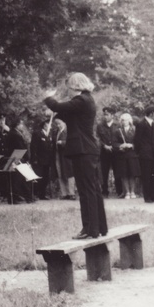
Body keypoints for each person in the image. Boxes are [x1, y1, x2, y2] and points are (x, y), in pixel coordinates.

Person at [43, 72, 107, 239]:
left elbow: (59, 107)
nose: (68, 92)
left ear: (75, 86)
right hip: (88, 149)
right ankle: (99, 227)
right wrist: (54, 112)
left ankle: (89, 229)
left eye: (69, 88)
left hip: (83, 150)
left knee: (86, 190)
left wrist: (48, 98)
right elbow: (65, 113)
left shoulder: (81, 100)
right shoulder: (86, 100)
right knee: (93, 189)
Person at [111, 112, 139, 199]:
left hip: (132, 154)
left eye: (126, 120)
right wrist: (121, 146)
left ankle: (132, 192)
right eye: (122, 120)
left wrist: (132, 145)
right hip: (122, 155)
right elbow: (114, 143)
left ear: (130, 120)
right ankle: (127, 192)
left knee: (132, 173)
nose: (124, 122)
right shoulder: (117, 131)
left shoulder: (135, 129)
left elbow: (139, 142)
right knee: (124, 174)